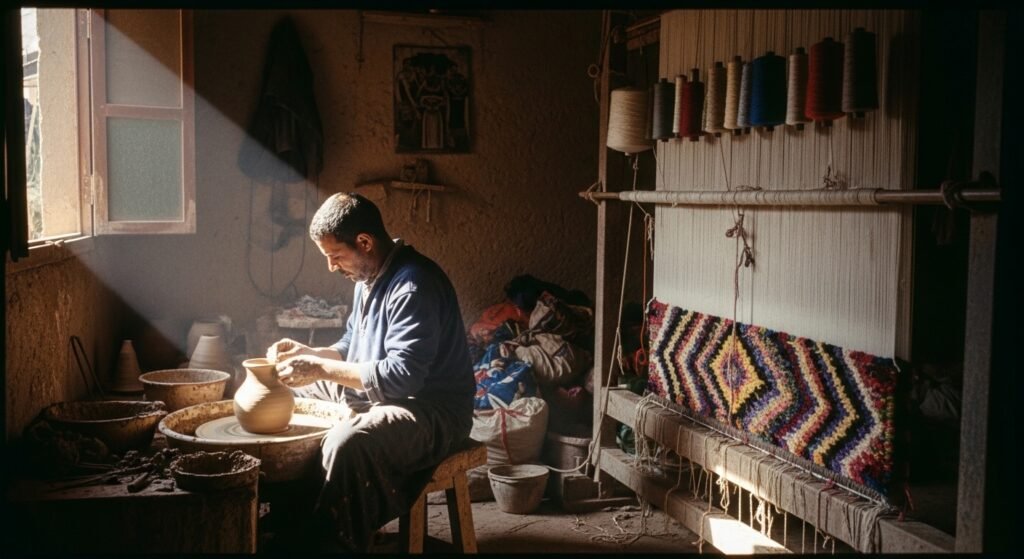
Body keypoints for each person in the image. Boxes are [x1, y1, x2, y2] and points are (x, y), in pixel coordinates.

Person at [265, 192, 474, 551]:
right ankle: (295, 519)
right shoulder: (367, 279)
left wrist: (317, 367)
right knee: (288, 397)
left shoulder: (412, 285)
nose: (332, 266)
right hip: (386, 394)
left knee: (348, 443)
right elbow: (351, 346)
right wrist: (310, 353)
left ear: (364, 242)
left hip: (431, 408)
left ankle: (335, 540)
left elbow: (401, 378)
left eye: (335, 256)